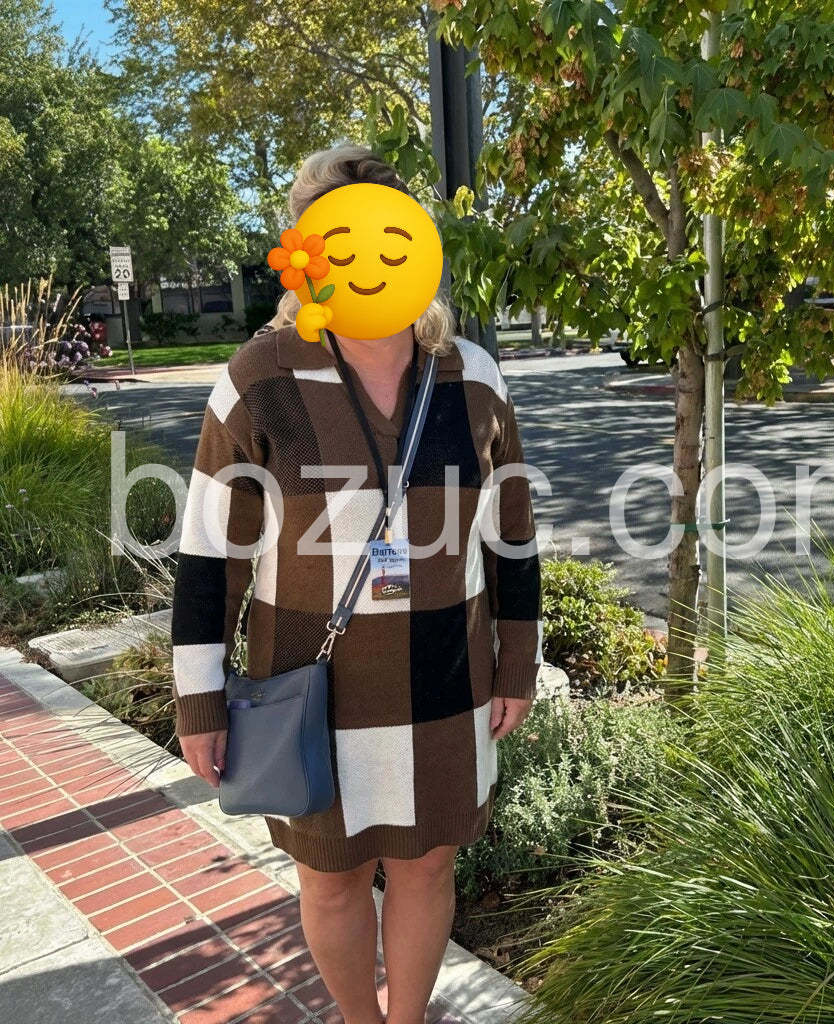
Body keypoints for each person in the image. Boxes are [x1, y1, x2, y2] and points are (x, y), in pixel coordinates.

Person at [169, 142, 543, 1024]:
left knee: (429, 864)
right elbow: (211, 551)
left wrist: (518, 660)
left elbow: (513, 536)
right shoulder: (260, 379)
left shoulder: (472, 376)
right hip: (312, 682)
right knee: (331, 880)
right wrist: (199, 698)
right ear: (304, 250)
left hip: (446, 677)